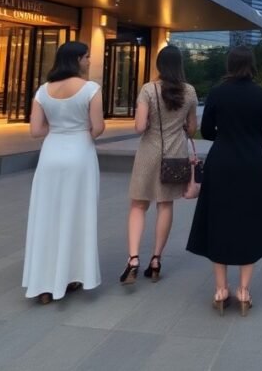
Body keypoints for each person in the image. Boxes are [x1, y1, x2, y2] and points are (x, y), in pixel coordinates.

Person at [187, 46, 262, 315]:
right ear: (252, 65)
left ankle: (220, 289)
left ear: (229, 65)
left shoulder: (218, 93)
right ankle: (243, 290)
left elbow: (207, 131)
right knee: (250, 222)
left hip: (221, 163)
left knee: (218, 220)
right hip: (253, 164)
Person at [22, 41, 105, 304]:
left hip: (50, 155)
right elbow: (98, 127)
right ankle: (71, 275)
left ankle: (44, 283)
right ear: (77, 59)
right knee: (77, 214)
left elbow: (35, 131)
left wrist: (57, 129)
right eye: (87, 56)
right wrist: (77, 132)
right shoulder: (90, 89)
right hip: (79, 154)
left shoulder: (43, 90)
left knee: (46, 216)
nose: (89, 61)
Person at [120, 45, 198, 285]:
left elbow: (140, 127)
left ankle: (133, 259)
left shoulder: (148, 89)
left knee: (138, 205)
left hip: (149, 153)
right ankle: (156, 260)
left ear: (159, 65)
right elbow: (193, 128)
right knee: (165, 205)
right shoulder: (189, 91)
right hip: (176, 155)